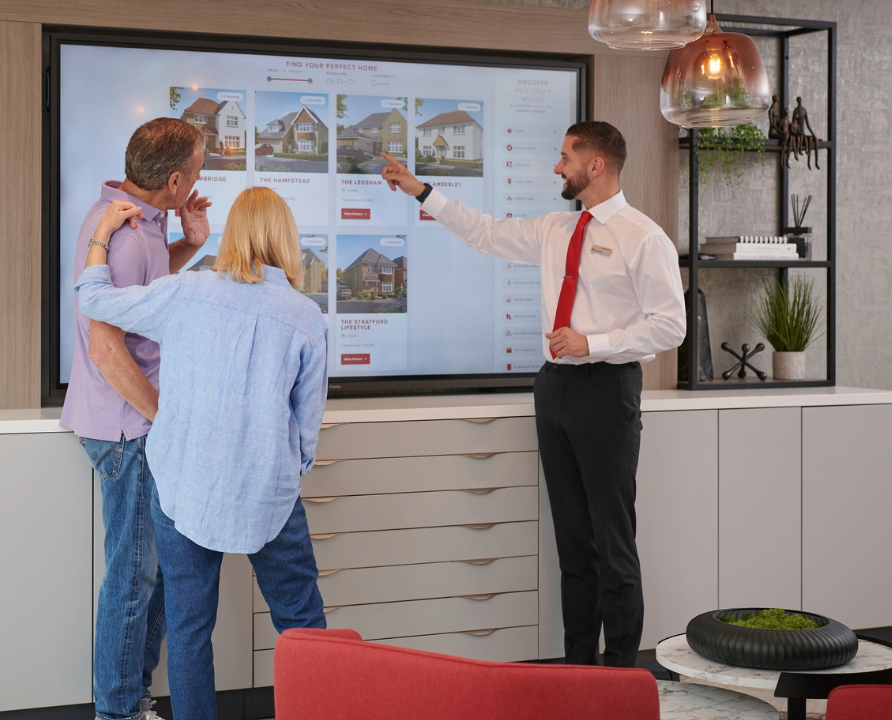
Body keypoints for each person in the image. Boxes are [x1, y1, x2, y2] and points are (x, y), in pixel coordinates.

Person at [379, 121, 686, 668]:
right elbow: (484, 232)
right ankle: (577, 672)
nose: (556, 167)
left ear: (596, 165)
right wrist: (421, 189)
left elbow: (670, 327)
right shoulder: (554, 230)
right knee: (573, 545)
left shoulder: (645, 237)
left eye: (566, 156)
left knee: (613, 542)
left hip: (607, 389)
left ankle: (619, 677)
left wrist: (593, 342)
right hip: (554, 390)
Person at [75, 186, 329, 720]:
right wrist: (287, 469)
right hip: (269, 492)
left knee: (190, 632)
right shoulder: (305, 317)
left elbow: (94, 300)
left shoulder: (186, 292)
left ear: (233, 235)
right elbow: (306, 430)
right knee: (302, 625)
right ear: (286, 238)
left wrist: (100, 236)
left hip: (185, 487)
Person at [59, 117, 212, 720]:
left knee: (148, 577)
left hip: (136, 426)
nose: (199, 182)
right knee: (133, 579)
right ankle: (118, 711)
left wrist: (190, 244)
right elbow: (105, 346)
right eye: (196, 173)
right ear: (173, 179)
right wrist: (161, 415)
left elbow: (143, 293)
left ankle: (132, 700)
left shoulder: (139, 222)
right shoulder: (121, 235)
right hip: (130, 429)